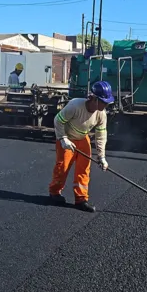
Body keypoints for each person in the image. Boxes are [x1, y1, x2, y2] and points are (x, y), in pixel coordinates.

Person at [48, 81, 113, 213]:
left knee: (84, 169)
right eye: (103, 101)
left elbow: (101, 135)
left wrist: (102, 157)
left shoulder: (101, 114)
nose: (105, 105)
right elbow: (58, 120)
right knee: (63, 167)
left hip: (83, 139)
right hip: (67, 138)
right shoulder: (75, 105)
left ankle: (81, 199)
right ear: (93, 98)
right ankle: (54, 192)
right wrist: (62, 138)